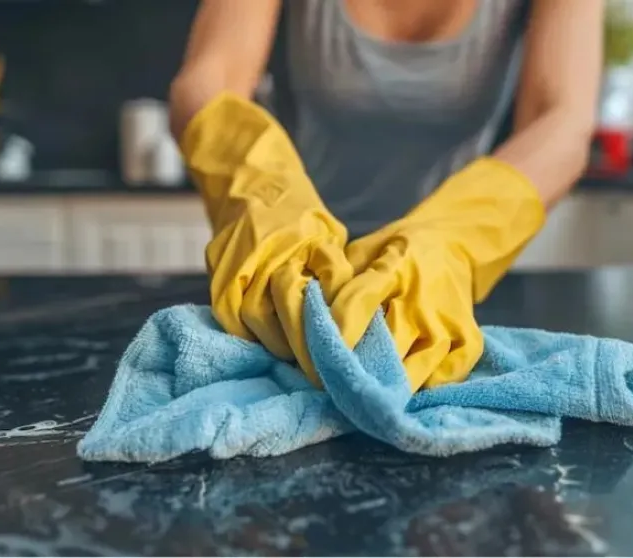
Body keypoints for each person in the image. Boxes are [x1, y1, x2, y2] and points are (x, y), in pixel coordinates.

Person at [169, 0, 604, 393]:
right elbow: (210, 78)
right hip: (295, 276)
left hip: (442, 291)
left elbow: (560, 120)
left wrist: (451, 243)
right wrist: (267, 195)